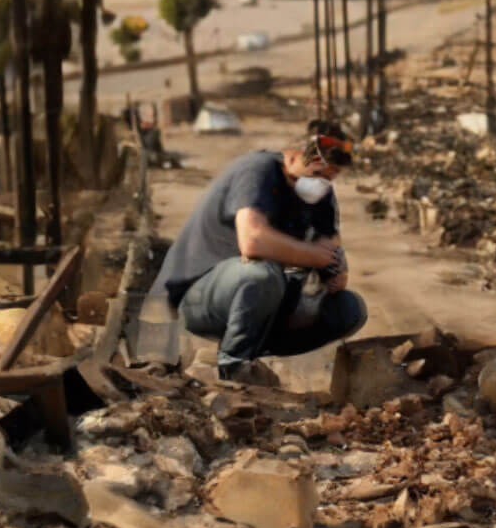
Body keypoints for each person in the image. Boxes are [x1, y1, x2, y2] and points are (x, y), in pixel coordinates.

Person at [148, 120, 367, 383]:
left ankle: (249, 350)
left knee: (348, 309)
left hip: (267, 300)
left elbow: (334, 256)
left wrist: (334, 272)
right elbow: (253, 242)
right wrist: (314, 255)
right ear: (294, 155)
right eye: (317, 173)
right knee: (262, 274)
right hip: (201, 296)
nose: (320, 183)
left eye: (329, 177)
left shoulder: (322, 198)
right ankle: (234, 364)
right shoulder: (258, 171)